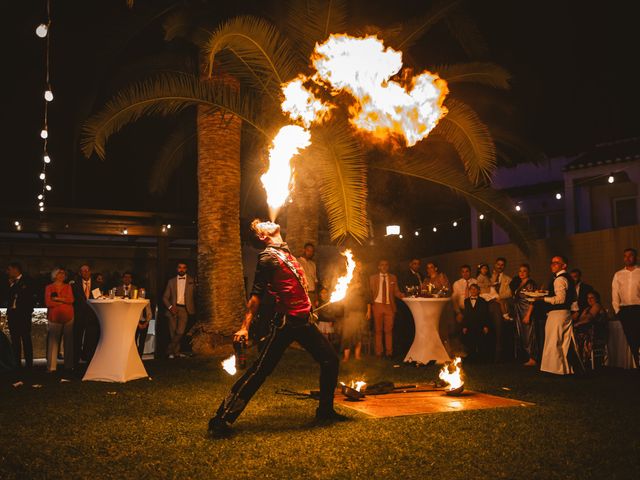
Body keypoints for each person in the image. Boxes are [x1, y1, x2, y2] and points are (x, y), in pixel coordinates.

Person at [208, 220, 343, 438]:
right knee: (261, 370)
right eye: (262, 225)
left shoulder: (287, 254)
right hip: (285, 324)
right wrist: (244, 327)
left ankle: (325, 411)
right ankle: (221, 418)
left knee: (330, 360)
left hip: (304, 322)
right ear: (262, 237)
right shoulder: (267, 257)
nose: (269, 221)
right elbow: (255, 296)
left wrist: (308, 308)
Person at [534, 255, 580, 375]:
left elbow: (560, 299)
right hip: (565, 314)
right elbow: (573, 297)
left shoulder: (559, 279)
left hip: (557, 313)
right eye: (552, 262)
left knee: (554, 341)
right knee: (563, 342)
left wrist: (542, 299)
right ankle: (564, 369)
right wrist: (574, 311)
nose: (553, 265)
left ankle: (554, 370)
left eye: (556, 262)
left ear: (564, 265)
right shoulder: (568, 278)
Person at [611, 248, 640, 367]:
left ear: (636, 257)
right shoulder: (618, 274)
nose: (627, 258)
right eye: (625, 256)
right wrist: (618, 311)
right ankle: (637, 364)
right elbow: (615, 293)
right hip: (625, 310)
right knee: (631, 337)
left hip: (638, 308)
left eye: (630, 256)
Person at [369, 259, 403, 358]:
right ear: (379, 267)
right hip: (377, 305)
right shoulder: (373, 278)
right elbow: (370, 292)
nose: (384, 266)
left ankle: (389, 352)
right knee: (378, 330)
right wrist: (370, 305)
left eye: (386, 265)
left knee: (389, 330)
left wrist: (403, 295)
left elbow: (396, 291)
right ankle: (379, 352)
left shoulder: (393, 277)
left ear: (388, 266)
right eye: (382, 265)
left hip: (389, 306)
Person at [163, 261, 196, 359]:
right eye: (180, 267)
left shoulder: (192, 281)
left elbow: (196, 295)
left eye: (184, 267)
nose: (181, 269)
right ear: (177, 269)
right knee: (173, 332)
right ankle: (176, 353)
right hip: (173, 309)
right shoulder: (171, 281)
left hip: (185, 309)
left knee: (180, 332)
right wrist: (170, 307)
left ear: (186, 269)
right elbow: (165, 297)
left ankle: (169, 350)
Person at [44, 268, 74, 373]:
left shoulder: (68, 286)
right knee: (53, 342)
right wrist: (63, 301)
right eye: (59, 274)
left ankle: (69, 365)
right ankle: (51, 367)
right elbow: (48, 303)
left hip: (68, 316)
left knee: (69, 342)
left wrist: (57, 299)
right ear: (54, 275)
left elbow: (71, 300)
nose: (61, 275)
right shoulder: (49, 287)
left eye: (63, 274)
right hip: (54, 316)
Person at [71, 264, 101, 368]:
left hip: (92, 316)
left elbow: (98, 300)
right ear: (80, 273)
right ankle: (75, 362)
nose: (85, 272)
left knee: (91, 340)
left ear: (90, 272)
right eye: (83, 271)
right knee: (77, 339)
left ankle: (90, 362)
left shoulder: (97, 285)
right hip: (79, 316)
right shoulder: (74, 285)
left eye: (87, 270)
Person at [6, 262, 34, 369]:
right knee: (15, 339)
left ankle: (29, 363)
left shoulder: (27, 281)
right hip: (12, 314)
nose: (7, 272)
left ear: (15, 269)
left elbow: (26, 295)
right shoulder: (9, 282)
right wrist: (11, 285)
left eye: (9, 269)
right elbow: (8, 296)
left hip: (23, 314)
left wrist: (14, 285)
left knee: (26, 338)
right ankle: (16, 363)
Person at [340, 261, 370, 362]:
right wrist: (353, 287)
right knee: (347, 334)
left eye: (360, 266)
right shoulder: (347, 278)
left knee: (359, 333)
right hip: (349, 310)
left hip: (360, 310)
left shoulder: (364, 279)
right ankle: (346, 357)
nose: (358, 268)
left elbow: (368, 295)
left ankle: (357, 356)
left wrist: (368, 310)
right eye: (356, 266)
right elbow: (342, 292)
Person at [509, 264, 537, 366]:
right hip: (519, 312)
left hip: (526, 311)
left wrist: (528, 315)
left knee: (529, 335)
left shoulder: (530, 284)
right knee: (522, 335)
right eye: (520, 271)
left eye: (524, 271)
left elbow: (532, 300)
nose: (521, 273)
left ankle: (533, 358)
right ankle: (526, 357)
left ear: (528, 272)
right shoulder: (520, 283)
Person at [460, 284, 493, 362]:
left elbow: (485, 314)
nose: (473, 291)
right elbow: (466, 314)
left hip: (479, 325)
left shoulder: (482, 301)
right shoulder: (466, 301)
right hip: (470, 325)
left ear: (478, 291)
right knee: (471, 342)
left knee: (480, 342)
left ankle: (481, 359)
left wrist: (485, 326)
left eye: (475, 289)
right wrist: (464, 326)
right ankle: (471, 358)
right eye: (471, 289)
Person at [489, 257, 513, 361]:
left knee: (498, 315)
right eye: (498, 264)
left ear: (504, 266)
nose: (500, 266)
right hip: (489, 304)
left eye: (502, 265)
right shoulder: (487, 277)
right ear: (495, 264)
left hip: (500, 305)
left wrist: (499, 298)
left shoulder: (508, 279)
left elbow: (509, 293)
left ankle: (498, 352)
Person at [573, 291, 606, 366]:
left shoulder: (597, 306)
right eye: (588, 298)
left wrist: (577, 324)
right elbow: (581, 319)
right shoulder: (587, 308)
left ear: (597, 299)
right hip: (589, 331)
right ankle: (580, 360)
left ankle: (582, 361)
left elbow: (588, 319)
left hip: (597, 334)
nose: (589, 300)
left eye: (592, 298)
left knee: (578, 335)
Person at [298, 242, 320, 307]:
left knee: (314, 315)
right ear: (304, 250)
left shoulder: (313, 264)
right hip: (302, 294)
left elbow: (315, 281)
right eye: (308, 250)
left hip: (312, 294)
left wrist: (316, 297)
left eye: (312, 251)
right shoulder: (297, 262)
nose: (310, 253)